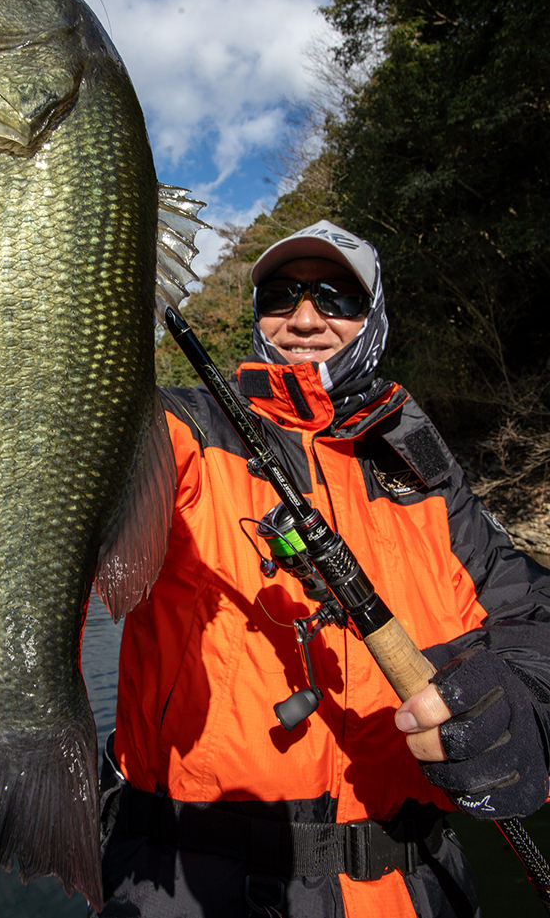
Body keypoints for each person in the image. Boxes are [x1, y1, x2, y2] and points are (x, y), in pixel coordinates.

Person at [95, 221, 550, 918]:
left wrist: (524, 713)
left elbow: (526, 614)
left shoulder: (423, 471)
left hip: (414, 884)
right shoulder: (176, 429)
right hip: (186, 881)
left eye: (336, 297)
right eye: (280, 295)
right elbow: (84, 446)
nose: (305, 318)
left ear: (376, 318)